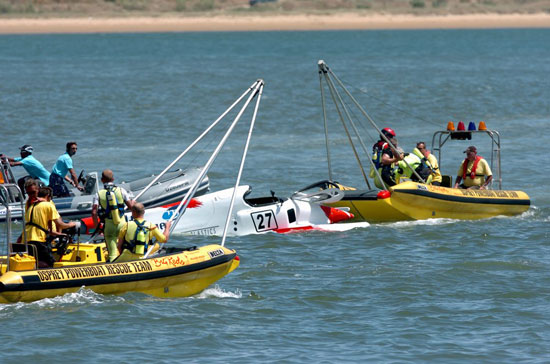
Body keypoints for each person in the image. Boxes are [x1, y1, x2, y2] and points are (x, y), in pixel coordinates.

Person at [17, 179, 79, 267]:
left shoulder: (37, 204)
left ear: (38, 190)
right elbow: (59, 224)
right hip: (37, 239)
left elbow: (51, 221)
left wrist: (58, 233)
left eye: (33, 192)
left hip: (35, 238)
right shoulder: (33, 204)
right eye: (29, 193)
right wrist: (72, 224)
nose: (31, 196)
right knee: (50, 264)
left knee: (40, 261)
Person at [91, 169, 134, 262]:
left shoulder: (98, 194)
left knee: (112, 253)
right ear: (113, 179)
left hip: (109, 226)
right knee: (126, 249)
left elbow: (94, 212)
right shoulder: (121, 190)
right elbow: (131, 207)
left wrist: (97, 227)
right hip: (122, 224)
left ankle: (114, 268)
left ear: (102, 180)